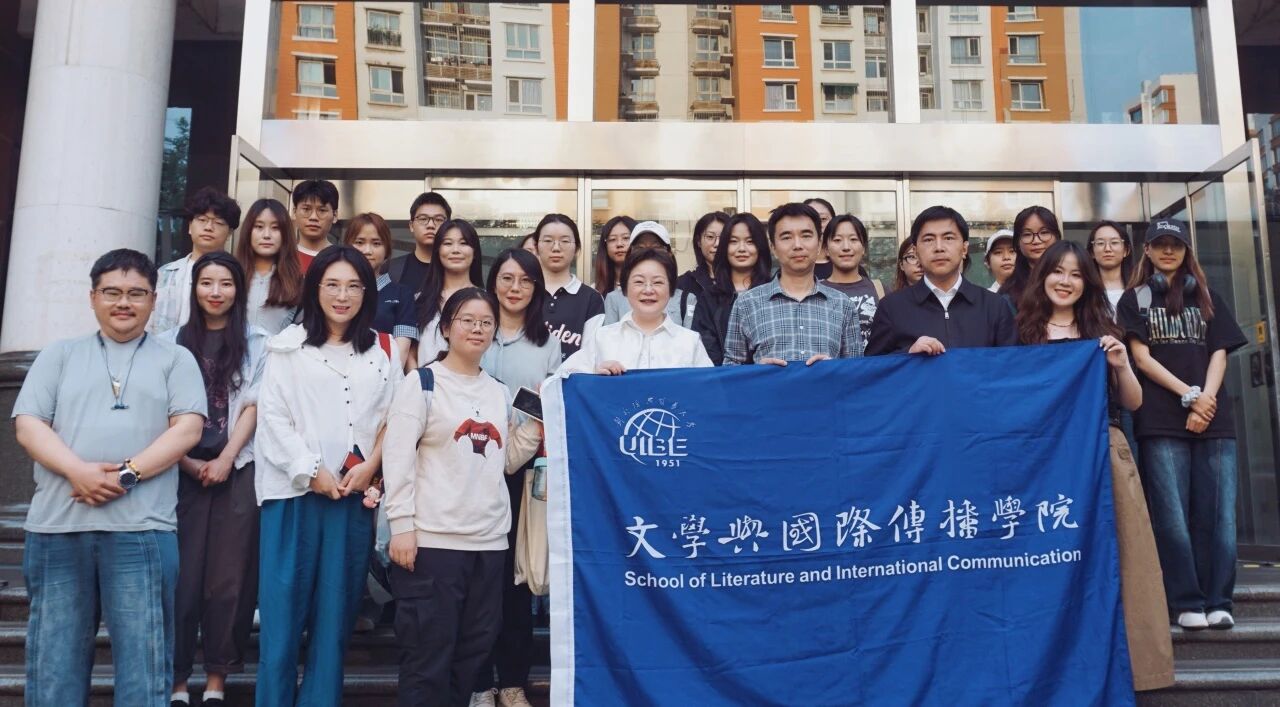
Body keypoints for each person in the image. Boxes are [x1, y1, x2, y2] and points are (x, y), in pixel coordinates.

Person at [13, 249, 205, 706]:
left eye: (136, 293)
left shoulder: (176, 359)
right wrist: (76, 471)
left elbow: (188, 429)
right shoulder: (59, 354)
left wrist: (127, 475)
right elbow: (28, 425)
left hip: (142, 531)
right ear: (93, 297)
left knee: (144, 668)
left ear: (153, 299)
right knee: (54, 667)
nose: (124, 302)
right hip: (58, 529)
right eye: (112, 292)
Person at [1014, 240, 1175, 692]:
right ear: (1042, 276)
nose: (1065, 281)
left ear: (1086, 283)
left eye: (1075, 274)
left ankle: (1139, 672)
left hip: (1102, 450)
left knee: (1126, 560)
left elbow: (1133, 402)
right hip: (1042, 463)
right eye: (1057, 272)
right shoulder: (1020, 332)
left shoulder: (1103, 331)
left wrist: (1120, 364)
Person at [255, 246, 400, 707]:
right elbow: (273, 420)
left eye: (354, 286)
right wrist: (312, 470)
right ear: (315, 289)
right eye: (332, 285)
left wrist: (371, 466)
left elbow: (393, 418)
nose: (343, 296)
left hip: (351, 501)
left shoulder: (382, 351)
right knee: (281, 624)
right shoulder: (287, 348)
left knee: (334, 623)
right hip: (292, 497)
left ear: (367, 292)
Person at [383, 288, 543, 707]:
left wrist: (536, 425)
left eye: (486, 322)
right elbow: (397, 458)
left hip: (489, 545)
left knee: (472, 657)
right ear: (446, 328)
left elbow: (505, 461)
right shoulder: (422, 384)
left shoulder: (498, 391)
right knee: (427, 660)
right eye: (467, 320)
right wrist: (401, 526)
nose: (477, 329)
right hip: (433, 544)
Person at [1117, 219, 1247, 631]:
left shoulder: (1207, 295)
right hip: (1160, 420)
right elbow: (1141, 359)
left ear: (1187, 250)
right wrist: (1189, 396)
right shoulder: (1135, 299)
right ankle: (1186, 601)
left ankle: (1219, 600)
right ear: (1147, 251)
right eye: (1160, 244)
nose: (1168, 251)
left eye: (1176, 244)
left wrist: (1205, 400)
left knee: (1219, 514)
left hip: (1214, 419)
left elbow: (1220, 352)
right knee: (1171, 516)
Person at [162, 252, 269, 707]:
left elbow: (255, 405)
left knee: (229, 580)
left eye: (225, 283)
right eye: (206, 283)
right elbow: (160, 409)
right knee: (181, 580)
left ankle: (216, 680)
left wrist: (226, 457)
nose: (216, 292)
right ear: (194, 288)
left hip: (238, 467)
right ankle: (177, 681)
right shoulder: (168, 343)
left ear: (238, 290)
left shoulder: (259, 342)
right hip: (178, 471)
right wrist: (186, 460)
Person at [470, 249, 561, 707]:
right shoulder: (474, 330)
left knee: (515, 583)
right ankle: (479, 683)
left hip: (521, 475)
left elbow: (553, 408)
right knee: (477, 582)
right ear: (493, 283)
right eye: (507, 278)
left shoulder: (547, 343)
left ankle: (512, 682)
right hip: (468, 469)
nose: (515, 288)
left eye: (526, 280)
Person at [866, 206, 1017, 355]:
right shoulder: (892, 307)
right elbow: (874, 366)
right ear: (916, 252)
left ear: (964, 249)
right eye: (928, 239)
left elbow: (1011, 364)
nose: (939, 247)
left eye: (948, 238)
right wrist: (907, 354)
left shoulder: (994, 306)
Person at [722, 203, 861, 366]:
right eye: (786, 237)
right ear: (773, 247)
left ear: (819, 244)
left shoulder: (843, 305)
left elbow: (857, 369)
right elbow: (731, 367)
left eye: (806, 236)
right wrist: (757, 372)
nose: (797, 245)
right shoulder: (747, 304)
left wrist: (833, 369)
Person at [561, 248, 713, 375]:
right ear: (625, 288)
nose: (648, 290)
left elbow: (710, 390)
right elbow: (561, 380)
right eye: (639, 282)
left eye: (658, 282)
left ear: (671, 289)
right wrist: (593, 375)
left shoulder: (690, 342)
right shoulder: (602, 338)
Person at [151, 186, 241, 334]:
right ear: (189, 227)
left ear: (230, 233)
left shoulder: (238, 275)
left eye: (218, 222)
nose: (208, 227)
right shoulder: (164, 274)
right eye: (202, 220)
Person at [692, 213, 773, 365]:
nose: (741, 249)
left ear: (761, 246)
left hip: (768, 376)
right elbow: (705, 349)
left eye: (750, 241)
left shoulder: (774, 293)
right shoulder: (710, 297)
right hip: (723, 376)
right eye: (733, 241)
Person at [345, 212, 418, 368]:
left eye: (376, 243)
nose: (367, 250)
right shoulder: (337, 292)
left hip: (385, 376)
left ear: (387, 250)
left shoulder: (402, 294)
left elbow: (400, 353)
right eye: (359, 242)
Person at [415, 218, 485, 366]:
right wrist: (418, 377)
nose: (455, 250)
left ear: (475, 252)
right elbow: (411, 350)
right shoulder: (420, 299)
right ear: (437, 251)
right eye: (447, 243)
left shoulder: (486, 301)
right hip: (426, 379)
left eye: (464, 243)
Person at [536, 213, 605, 360]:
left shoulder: (591, 299)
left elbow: (589, 356)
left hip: (573, 375)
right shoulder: (525, 292)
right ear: (536, 247)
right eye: (548, 240)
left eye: (565, 241)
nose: (556, 248)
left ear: (577, 249)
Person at [603, 221, 697, 327]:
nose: (648, 253)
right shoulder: (614, 299)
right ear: (630, 254)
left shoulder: (686, 299)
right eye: (640, 248)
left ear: (669, 253)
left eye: (656, 247)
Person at [235, 198, 304, 335]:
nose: (266, 235)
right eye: (259, 227)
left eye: (275, 228)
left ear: (285, 234)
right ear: (248, 231)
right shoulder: (231, 276)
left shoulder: (298, 283)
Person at [821, 214, 885, 347]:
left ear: (864, 248)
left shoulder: (880, 290)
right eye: (837, 240)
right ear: (826, 249)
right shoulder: (816, 292)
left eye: (853, 239)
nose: (846, 247)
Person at [389, 192, 452, 296]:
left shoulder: (457, 267)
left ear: (448, 226)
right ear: (411, 226)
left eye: (438, 220)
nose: (431, 225)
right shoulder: (391, 269)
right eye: (423, 219)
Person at [998, 205, 1062, 306]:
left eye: (1044, 232)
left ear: (1057, 237)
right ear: (1018, 242)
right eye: (1027, 234)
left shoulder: (1072, 281)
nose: (1036, 241)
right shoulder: (1006, 297)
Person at [675, 211, 730, 303]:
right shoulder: (683, 284)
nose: (717, 244)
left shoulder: (741, 282)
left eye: (723, 237)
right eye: (710, 237)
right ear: (698, 241)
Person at [291, 179, 340, 271]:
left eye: (322, 210)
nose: (313, 217)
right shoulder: (283, 258)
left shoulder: (343, 259)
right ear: (294, 212)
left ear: (335, 215)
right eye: (306, 209)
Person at [1089, 220, 1134, 314]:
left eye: (1114, 242)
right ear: (1092, 252)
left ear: (1126, 250)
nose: (1107, 249)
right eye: (1100, 243)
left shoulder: (1139, 288)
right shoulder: (1084, 289)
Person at [592, 215, 637, 297]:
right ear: (605, 246)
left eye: (626, 238)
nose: (619, 244)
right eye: (612, 239)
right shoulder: (595, 292)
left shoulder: (649, 288)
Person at [804, 197, 836, 280]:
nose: (818, 225)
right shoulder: (793, 268)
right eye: (811, 220)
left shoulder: (846, 263)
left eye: (823, 219)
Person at [984, 229, 1016, 293]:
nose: (1006, 257)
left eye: (1012, 251)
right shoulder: (983, 297)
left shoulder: (1034, 293)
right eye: (998, 252)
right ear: (987, 262)